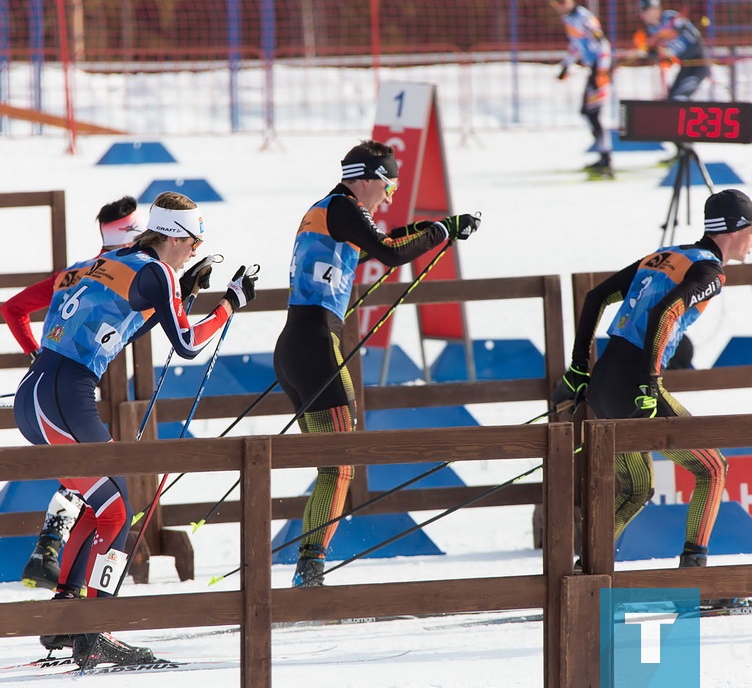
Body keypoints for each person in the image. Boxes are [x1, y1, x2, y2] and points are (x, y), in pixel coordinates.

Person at [13, 191, 258, 668]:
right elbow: (186, 343)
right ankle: (96, 629)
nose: (198, 244)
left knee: (102, 503)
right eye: (195, 235)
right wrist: (230, 303)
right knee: (118, 509)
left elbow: (126, 323)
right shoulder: (159, 272)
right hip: (66, 394)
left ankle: (68, 617)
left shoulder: (106, 261)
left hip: (37, 393)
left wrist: (181, 295)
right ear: (175, 235)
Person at [273, 139, 480, 588]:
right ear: (364, 178)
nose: (389, 196)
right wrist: (442, 232)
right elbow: (389, 252)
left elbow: (382, 244)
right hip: (314, 348)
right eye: (388, 185)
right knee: (341, 464)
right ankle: (310, 570)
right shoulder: (344, 207)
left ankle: (309, 567)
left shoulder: (328, 210)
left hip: (296, 347)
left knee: (332, 464)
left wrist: (437, 226)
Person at [552, 189, 752, 599]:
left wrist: (579, 367)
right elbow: (667, 312)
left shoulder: (664, 255)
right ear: (738, 230)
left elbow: (596, 297)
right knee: (713, 469)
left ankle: (582, 576)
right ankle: (693, 581)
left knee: (635, 490)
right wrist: (649, 382)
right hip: (635, 387)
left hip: (605, 385)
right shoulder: (711, 274)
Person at [1, 196, 145, 591]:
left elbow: (13, 309)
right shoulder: (130, 271)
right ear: (131, 233)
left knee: (93, 489)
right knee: (111, 502)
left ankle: (62, 582)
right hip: (72, 393)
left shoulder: (75, 272)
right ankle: (89, 614)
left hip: (44, 390)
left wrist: (36, 354)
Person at [549, 0, 615, 176]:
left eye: (563, 1)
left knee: (593, 113)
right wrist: (566, 65)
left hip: (599, 69)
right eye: (556, 3)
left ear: (571, 0)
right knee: (588, 112)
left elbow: (603, 44)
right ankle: (604, 155)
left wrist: (602, 71)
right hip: (593, 69)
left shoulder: (584, 18)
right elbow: (576, 44)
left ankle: (606, 158)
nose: (560, 6)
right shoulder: (569, 19)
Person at [635, 0, 711, 101]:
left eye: (647, 11)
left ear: (656, 8)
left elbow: (694, 39)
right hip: (685, 66)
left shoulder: (671, 18)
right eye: (642, 12)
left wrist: (672, 46)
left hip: (698, 65)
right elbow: (661, 57)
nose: (644, 16)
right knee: (671, 100)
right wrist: (655, 53)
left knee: (679, 98)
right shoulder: (650, 31)